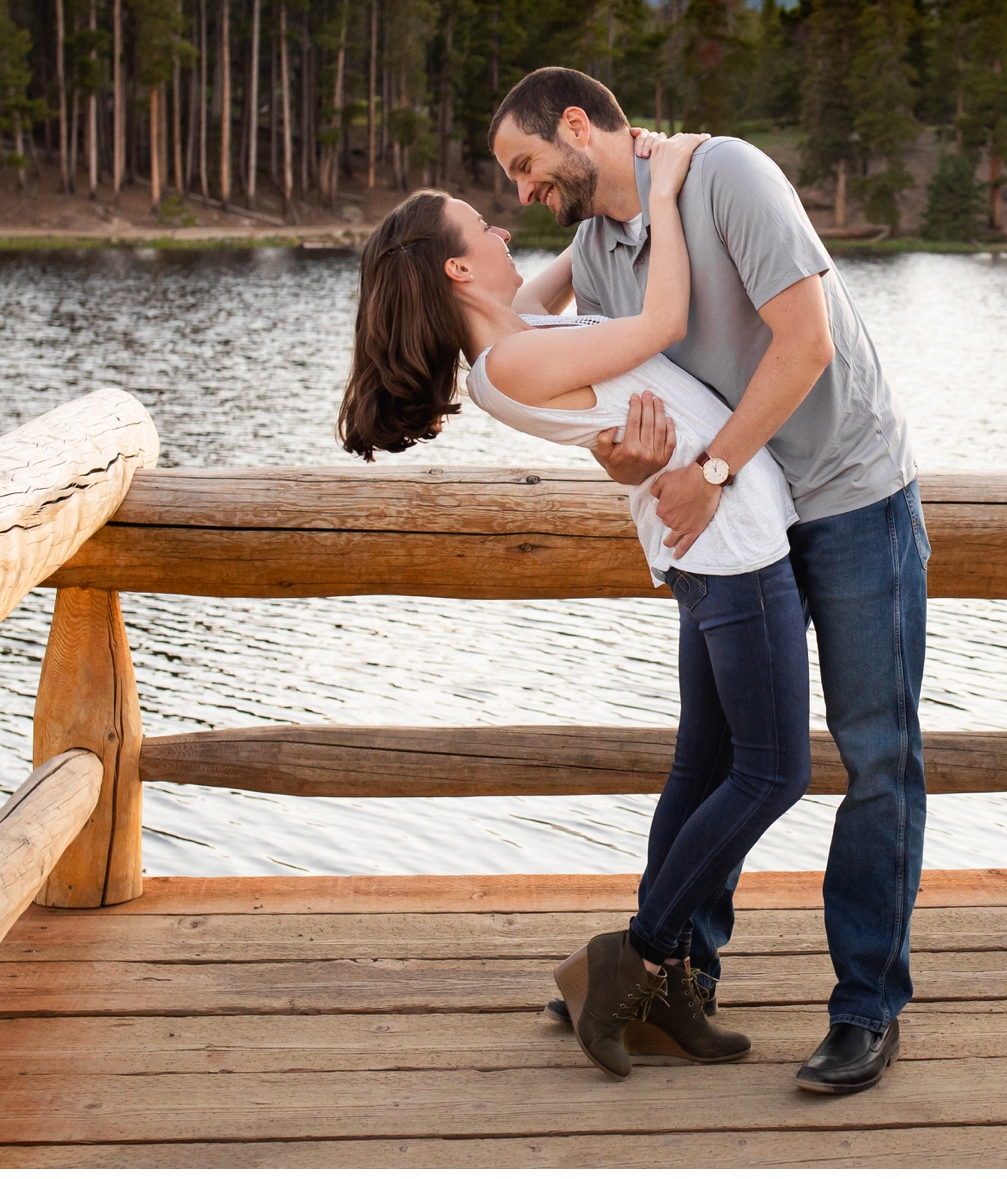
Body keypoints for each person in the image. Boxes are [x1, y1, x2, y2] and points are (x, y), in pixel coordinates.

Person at [338, 132, 813, 1082]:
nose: (507, 223)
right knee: (772, 774)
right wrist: (667, 189)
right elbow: (667, 317)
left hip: (714, 546)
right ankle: (633, 956)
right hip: (732, 554)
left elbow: (552, 277)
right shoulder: (510, 368)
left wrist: (608, 192)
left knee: (704, 766)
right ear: (460, 266)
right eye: (485, 224)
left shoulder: (513, 342)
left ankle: (667, 984)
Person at [489, 65, 926, 1095]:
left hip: (850, 492)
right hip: (737, 520)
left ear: (576, 122)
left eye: (525, 163)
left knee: (876, 756)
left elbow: (806, 342)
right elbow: (636, 404)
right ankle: (675, 967)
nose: (520, 189)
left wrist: (711, 469)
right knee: (721, 747)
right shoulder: (599, 256)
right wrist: (636, 460)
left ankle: (866, 1005)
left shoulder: (728, 173)